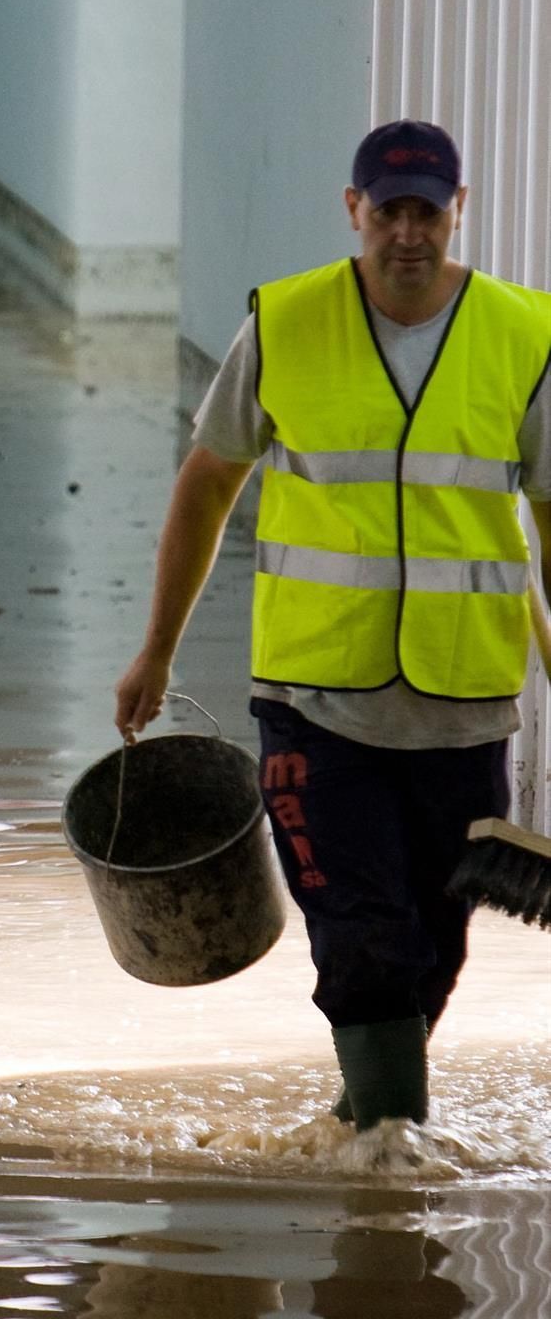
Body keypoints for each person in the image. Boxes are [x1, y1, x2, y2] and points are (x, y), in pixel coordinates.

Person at [114, 118, 551, 1131]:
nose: (407, 233)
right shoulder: (285, 323)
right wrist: (157, 651)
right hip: (314, 699)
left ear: (458, 211)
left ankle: (362, 1126)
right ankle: (392, 1167)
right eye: (387, 211)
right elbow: (207, 485)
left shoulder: (525, 335)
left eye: (426, 211)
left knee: (434, 948)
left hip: (463, 704)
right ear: (354, 210)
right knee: (362, 934)